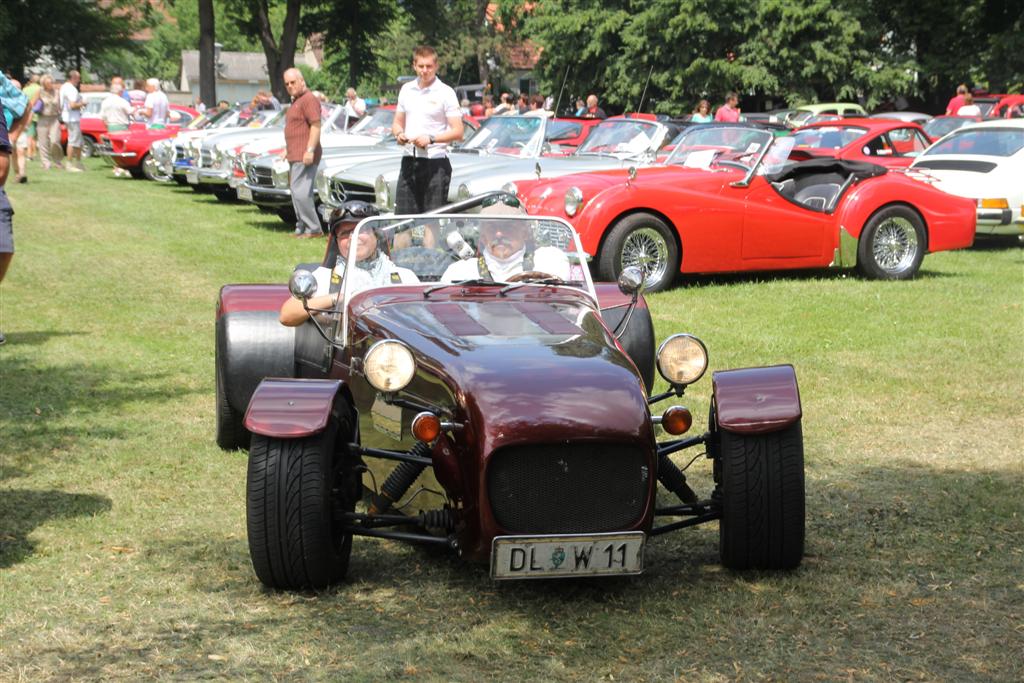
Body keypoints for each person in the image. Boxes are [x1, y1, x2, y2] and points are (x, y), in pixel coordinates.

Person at [279, 201, 418, 326]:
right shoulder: (325, 277)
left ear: (376, 234)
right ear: (337, 242)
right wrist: (337, 298)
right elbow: (287, 316)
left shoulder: (403, 276)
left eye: (360, 230)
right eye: (345, 233)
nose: (353, 237)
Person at [391, 45, 464, 214]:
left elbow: (458, 132)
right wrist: (399, 134)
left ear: (436, 66)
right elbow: (397, 123)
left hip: (435, 162)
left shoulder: (446, 92)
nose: (425, 70)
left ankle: (431, 242)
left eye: (429, 66)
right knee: (402, 222)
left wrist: (431, 139)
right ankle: (405, 242)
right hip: (409, 159)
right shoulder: (406, 89)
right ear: (414, 66)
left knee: (432, 221)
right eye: (421, 66)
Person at [441, 196, 570, 283]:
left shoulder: (548, 261)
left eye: (507, 226)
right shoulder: (460, 272)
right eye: (491, 227)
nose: (498, 234)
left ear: (525, 232)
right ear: (483, 235)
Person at [282, 67, 323, 237]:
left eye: (293, 82)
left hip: (305, 155)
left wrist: (310, 150)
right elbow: (297, 128)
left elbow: (316, 125)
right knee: (295, 192)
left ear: (302, 81)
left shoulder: (308, 99)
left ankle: (314, 229)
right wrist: (287, 149)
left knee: (301, 193)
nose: (290, 86)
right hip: (295, 154)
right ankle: (302, 227)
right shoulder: (297, 100)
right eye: (287, 84)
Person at [101, 82, 134, 177]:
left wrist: (106, 127)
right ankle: (125, 167)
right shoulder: (122, 101)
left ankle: (116, 168)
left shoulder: (105, 101)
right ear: (120, 92)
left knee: (113, 149)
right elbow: (130, 111)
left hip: (110, 126)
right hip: (122, 125)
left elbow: (103, 117)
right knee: (123, 149)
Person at [59, 70, 85, 171]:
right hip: (72, 118)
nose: (79, 80)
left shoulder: (64, 86)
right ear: (74, 78)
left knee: (79, 141)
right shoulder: (71, 89)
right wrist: (83, 103)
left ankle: (78, 163)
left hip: (68, 117)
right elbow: (73, 105)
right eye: (78, 78)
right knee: (73, 141)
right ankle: (69, 164)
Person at [35, 76, 62, 169]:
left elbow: (60, 106)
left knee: (55, 140)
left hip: (54, 118)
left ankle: (57, 161)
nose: (51, 85)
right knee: (43, 141)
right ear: (44, 84)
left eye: (51, 82)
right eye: (48, 83)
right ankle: (45, 162)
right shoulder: (40, 91)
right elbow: (33, 103)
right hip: (43, 117)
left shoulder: (57, 92)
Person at [21, 74, 40, 162]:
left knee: (29, 135)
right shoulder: (40, 89)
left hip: (28, 114)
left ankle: (30, 154)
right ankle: (32, 154)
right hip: (39, 115)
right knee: (34, 136)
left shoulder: (25, 89)